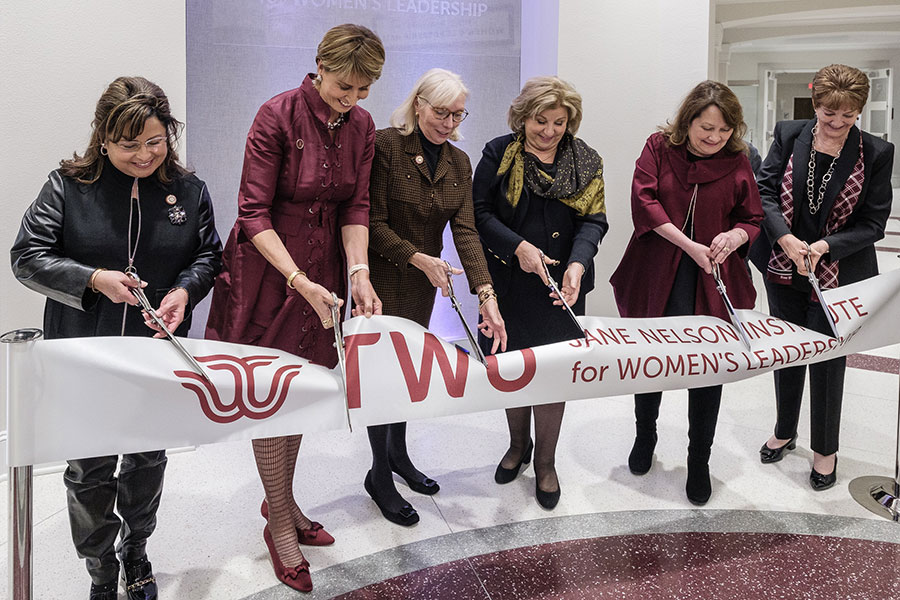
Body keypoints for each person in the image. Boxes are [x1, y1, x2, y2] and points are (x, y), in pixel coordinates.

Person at [10, 76, 222, 600]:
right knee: (89, 469)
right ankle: (101, 571)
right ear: (102, 139)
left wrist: (185, 291)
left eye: (155, 141)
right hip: (84, 353)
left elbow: (208, 255)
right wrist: (92, 280)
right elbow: (27, 257)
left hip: (155, 353)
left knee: (148, 457)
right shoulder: (67, 186)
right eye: (130, 145)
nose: (145, 155)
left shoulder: (189, 191)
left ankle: (136, 550)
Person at [204, 24, 384, 593]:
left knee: (302, 390)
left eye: (363, 89)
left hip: (325, 268)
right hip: (270, 272)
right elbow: (252, 212)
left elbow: (357, 203)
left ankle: (281, 501)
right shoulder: (276, 115)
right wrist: (298, 280)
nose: (351, 99)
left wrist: (357, 271)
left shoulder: (362, 126)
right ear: (319, 66)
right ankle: (280, 521)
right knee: (270, 394)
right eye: (343, 86)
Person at [610, 80, 763, 505]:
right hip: (659, 270)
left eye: (723, 130)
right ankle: (646, 437)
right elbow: (644, 202)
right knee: (650, 359)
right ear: (688, 121)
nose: (714, 138)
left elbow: (752, 216)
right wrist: (689, 245)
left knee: (709, 369)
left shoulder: (738, 160)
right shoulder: (659, 147)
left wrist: (734, 236)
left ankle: (699, 460)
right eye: (705, 128)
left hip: (711, 278)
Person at [366, 68, 507, 525]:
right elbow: (370, 222)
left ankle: (399, 457)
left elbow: (464, 231)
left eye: (457, 114)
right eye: (440, 112)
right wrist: (418, 258)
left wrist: (485, 293)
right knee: (380, 380)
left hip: (422, 285)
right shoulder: (386, 147)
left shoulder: (459, 162)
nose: (447, 122)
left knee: (406, 375)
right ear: (419, 104)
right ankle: (378, 476)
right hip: (383, 279)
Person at [750, 64, 894, 490]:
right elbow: (766, 191)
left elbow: (874, 224)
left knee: (829, 360)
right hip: (784, 263)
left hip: (839, 272)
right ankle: (785, 429)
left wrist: (825, 247)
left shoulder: (877, 152)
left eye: (848, 116)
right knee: (788, 351)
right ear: (816, 105)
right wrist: (787, 239)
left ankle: (825, 449)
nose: (836, 124)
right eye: (829, 114)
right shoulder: (790, 133)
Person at [473, 76, 607, 510]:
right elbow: (479, 213)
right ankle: (518, 446)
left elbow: (594, 222)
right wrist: (517, 247)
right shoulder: (498, 153)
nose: (549, 131)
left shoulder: (586, 161)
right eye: (540, 120)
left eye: (559, 122)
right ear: (523, 117)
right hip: (510, 282)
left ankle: (546, 462)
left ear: (571, 122)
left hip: (561, 288)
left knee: (551, 376)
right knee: (512, 369)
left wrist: (578, 263)